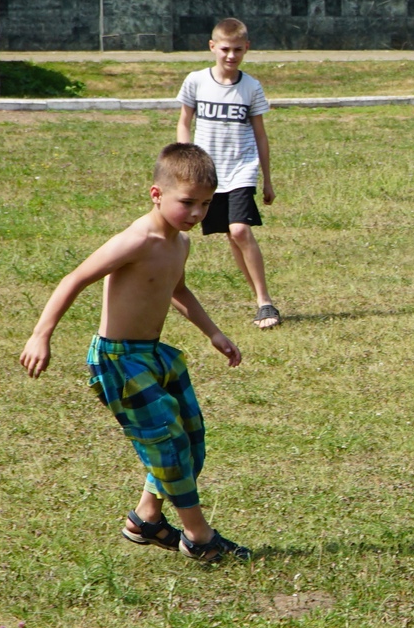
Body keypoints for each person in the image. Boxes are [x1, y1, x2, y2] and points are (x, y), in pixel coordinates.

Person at [20, 142, 251, 563]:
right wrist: (41, 334)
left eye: (205, 204)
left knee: (190, 439)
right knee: (167, 444)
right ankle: (199, 537)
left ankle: (147, 519)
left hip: (154, 354)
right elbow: (75, 278)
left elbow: (176, 290)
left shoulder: (180, 244)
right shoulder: (137, 239)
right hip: (119, 360)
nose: (197, 214)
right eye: (188, 203)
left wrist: (213, 333)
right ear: (156, 194)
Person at [177, 18, 282, 330]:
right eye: (225, 49)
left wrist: (267, 179)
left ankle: (265, 301)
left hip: (241, 169)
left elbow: (260, 134)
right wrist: (187, 160)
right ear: (212, 47)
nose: (231, 55)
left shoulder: (251, 87)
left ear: (247, 48)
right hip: (208, 172)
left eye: (237, 49)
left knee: (239, 230)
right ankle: (163, 289)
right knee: (226, 234)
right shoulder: (196, 81)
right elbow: (184, 121)